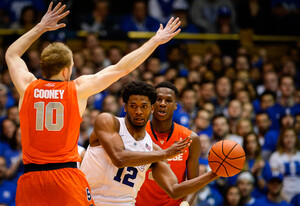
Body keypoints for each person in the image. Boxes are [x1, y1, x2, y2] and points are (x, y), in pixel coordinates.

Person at [5, 2, 182, 205]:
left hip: (31, 179)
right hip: (65, 177)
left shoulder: (27, 87)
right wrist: (156, 41)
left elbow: (11, 54)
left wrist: (41, 26)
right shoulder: (77, 89)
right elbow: (121, 68)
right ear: (65, 70)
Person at [80, 81, 219, 206]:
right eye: (133, 106)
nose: (138, 111)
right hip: (87, 200)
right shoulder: (108, 122)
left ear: (152, 108)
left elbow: (174, 191)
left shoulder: (153, 149)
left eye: (144, 106)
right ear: (125, 107)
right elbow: (119, 158)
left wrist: (214, 174)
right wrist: (164, 154)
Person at [136, 82, 201, 206]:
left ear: (175, 106)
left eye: (168, 100)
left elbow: (193, 183)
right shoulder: (136, 134)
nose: (162, 104)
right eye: (158, 99)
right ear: (151, 103)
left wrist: (185, 204)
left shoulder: (190, 138)